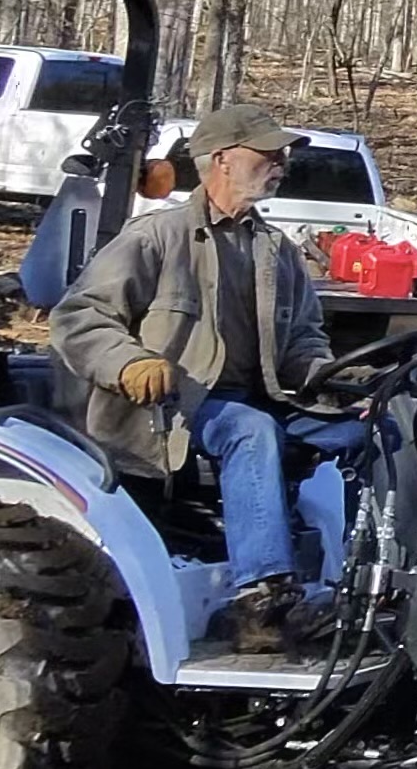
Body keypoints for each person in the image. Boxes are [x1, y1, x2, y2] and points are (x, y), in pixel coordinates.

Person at [52, 99, 341, 655]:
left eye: (282, 154)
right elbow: (78, 317)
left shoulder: (275, 250)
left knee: (380, 432)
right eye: (268, 152)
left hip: (260, 398)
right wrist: (129, 362)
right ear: (222, 160)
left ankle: (370, 581)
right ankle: (262, 603)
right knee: (250, 429)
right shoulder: (156, 237)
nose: (280, 161)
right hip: (172, 407)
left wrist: (331, 378)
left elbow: (305, 337)